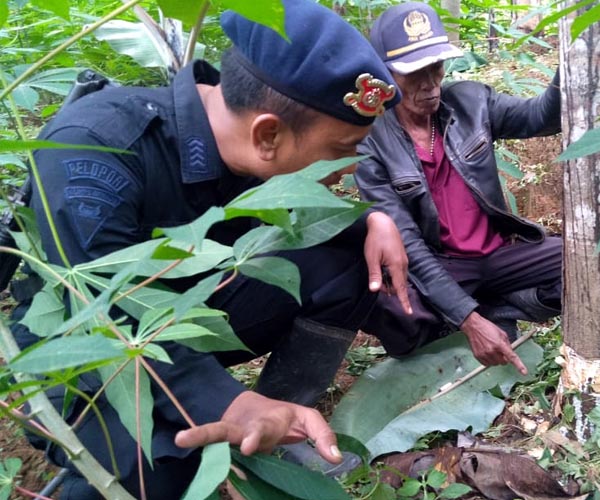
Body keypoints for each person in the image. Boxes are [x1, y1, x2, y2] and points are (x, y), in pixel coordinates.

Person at [9, 1, 411, 498]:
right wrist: (226, 404)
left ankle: (277, 427)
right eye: (341, 149)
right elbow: (103, 317)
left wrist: (372, 219)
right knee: (165, 466)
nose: (350, 166)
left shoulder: (240, 141)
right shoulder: (96, 148)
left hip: (186, 313)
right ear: (268, 134)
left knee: (346, 262)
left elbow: (293, 215)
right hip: (83, 353)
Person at [356, 2, 563, 375]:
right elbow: (409, 246)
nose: (430, 83)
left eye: (436, 66)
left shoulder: (471, 101)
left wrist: (573, 61)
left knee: (581, 261)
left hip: (498, 255)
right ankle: (461, 317)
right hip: (440, 263)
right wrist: (470, 321)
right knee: (390, 308)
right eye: (414, 72)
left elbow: (541, 117)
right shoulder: (372, 141)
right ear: (384, 76)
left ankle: (500, 306)